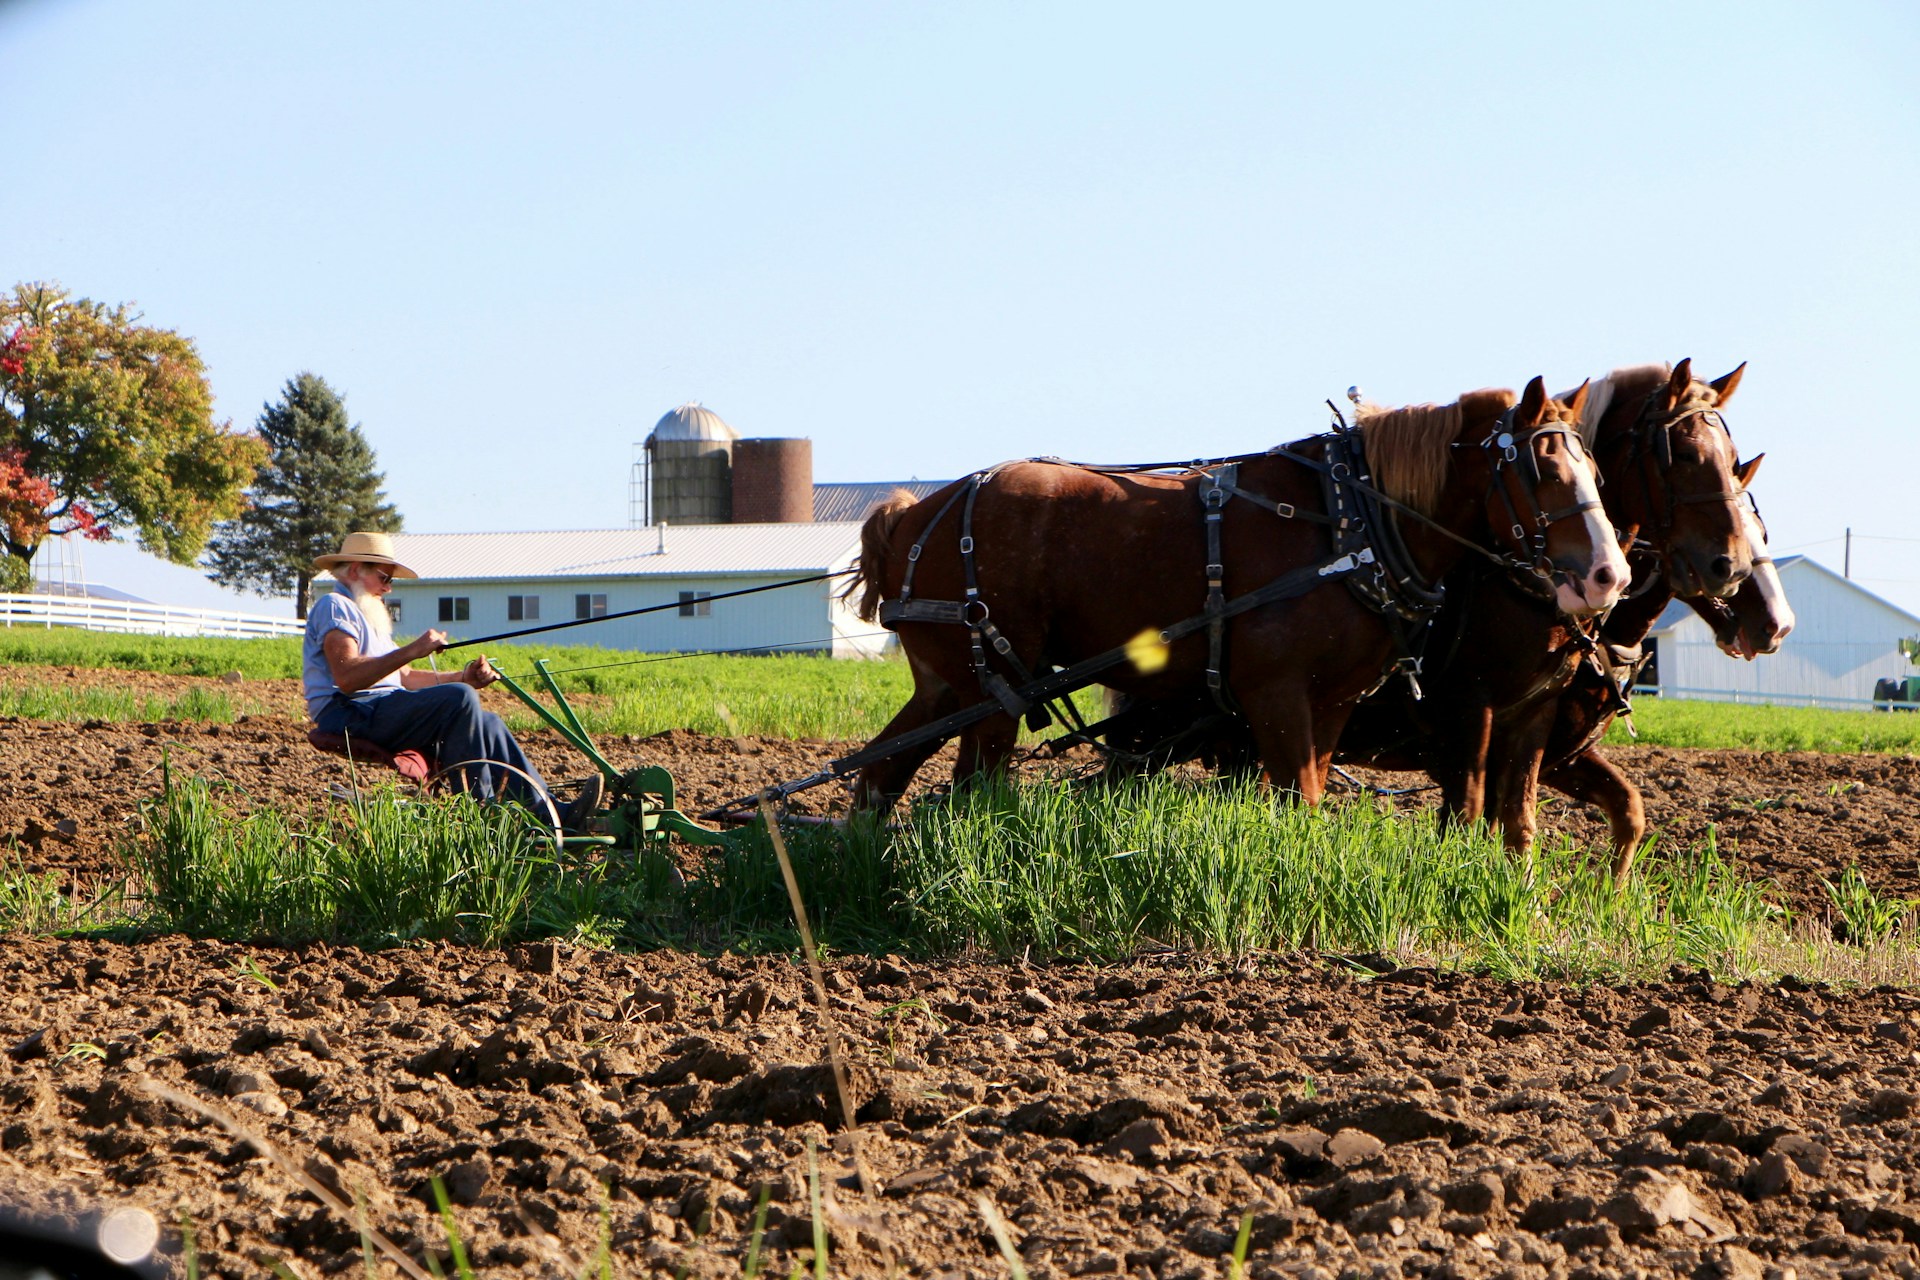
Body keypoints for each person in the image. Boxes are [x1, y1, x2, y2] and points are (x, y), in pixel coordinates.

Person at [302, 531, 602, 829]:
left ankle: (550, 816)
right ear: (355, 569)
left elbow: (403, 678)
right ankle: (481, 814)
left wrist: (463, 677)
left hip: (378, 708)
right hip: (348, 712)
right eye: (384, 578)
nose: (389, 588)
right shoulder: (334, 606)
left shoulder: (365, 614)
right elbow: (348, 676)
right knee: (458, 698)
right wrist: (413, 650)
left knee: (489, 723)